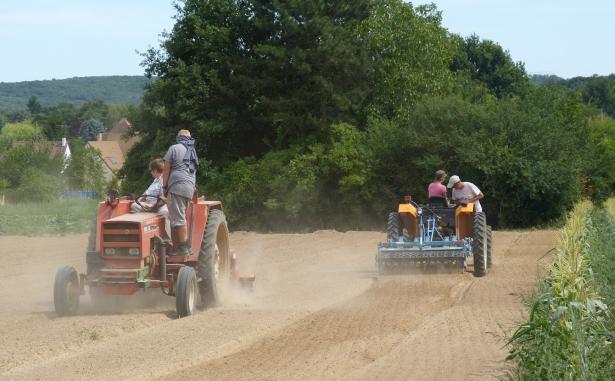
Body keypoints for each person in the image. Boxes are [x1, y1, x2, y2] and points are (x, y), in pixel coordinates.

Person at [162, 129, 198, 256]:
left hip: (177, 186)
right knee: (180, 216)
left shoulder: (174, 148)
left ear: (178, 137)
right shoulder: (192, 151)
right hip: (189, 188)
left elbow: (166, 169)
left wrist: (164, 186)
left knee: (178, 218)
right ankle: (182, 246)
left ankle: (183, 249)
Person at [130, 158, 171, 237]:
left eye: (151, 171)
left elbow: (163, 198)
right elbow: (147, 192)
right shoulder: (155, 180)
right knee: (134, 205)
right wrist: (138, 200)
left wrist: (152, 206)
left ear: (155, 170)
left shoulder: (164, 180)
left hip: (160, 205)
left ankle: (167, 238)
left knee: (164, 212)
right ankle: (139, 232)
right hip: (149, 204)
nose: (150, 173)